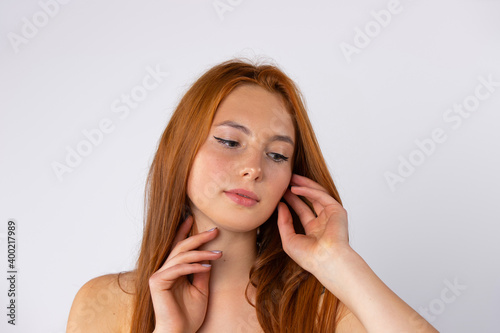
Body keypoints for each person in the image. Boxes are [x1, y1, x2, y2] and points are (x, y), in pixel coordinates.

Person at [67, 59, 438, 332]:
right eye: (230, 141)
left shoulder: (326, 310)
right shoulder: (105, 305)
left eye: (277, 154)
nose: (254, 167)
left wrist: (339, 263)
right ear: (180, 151)